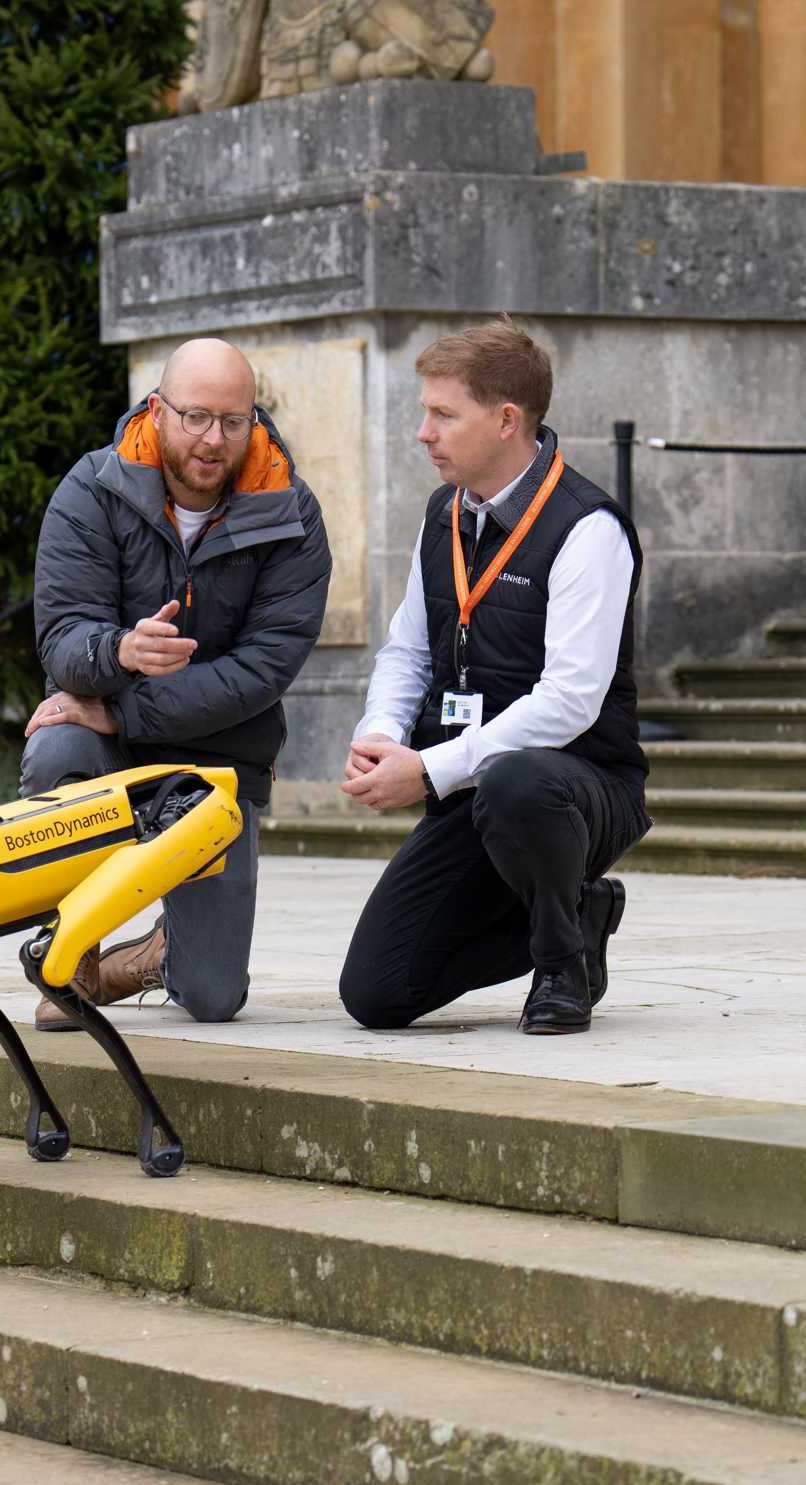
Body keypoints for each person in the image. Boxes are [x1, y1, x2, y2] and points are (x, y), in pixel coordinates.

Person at [338, 319, 647, 1035]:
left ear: (507, 420)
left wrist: (429, 769)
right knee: (376, 995)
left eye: (443, 414)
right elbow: (408, 651)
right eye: (426, 413)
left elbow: (570, 701)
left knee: (517, 780)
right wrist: (382, 735)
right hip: (465, 790)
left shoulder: (587, 527)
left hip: (575, 790)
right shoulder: (444, 512)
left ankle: (561, 966)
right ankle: (578, 911)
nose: (423, 432)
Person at [23, 337, 331, 1030]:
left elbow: (263, 671)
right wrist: (123, 650)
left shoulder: (291, 512)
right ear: (158, 411)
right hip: (109, 753)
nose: (212, 439)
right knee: (58, 748)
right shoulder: (93, 488)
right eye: (194, 417)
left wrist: (125, 713)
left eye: (231, 420)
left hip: (219, 764)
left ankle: (158, 956)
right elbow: (63, 642)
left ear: (254, 420)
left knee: (214, 996)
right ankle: (73, 960)